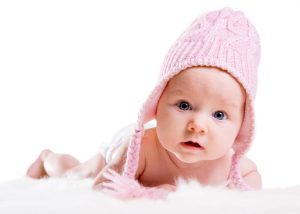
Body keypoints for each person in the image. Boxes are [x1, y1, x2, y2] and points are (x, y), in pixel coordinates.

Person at [26, 7, 262, 199]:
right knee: (77, 173)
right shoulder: (141, 150)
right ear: (157, 104)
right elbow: (99, 192)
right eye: (184, 105)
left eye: (219, 115)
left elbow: (253, 199)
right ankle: (48, 158)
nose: (197, 125)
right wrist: (154, 195)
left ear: (242, 126)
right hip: (121, 149)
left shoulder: (239, 169)